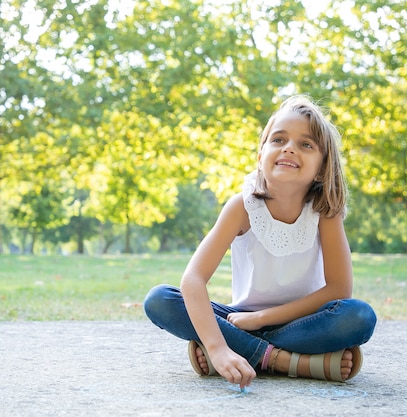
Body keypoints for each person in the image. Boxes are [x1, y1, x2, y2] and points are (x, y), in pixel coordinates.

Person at [144, 95, 377, 390]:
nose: (289, 147)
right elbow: (193, 279)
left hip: (303, 324)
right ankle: (291, 362)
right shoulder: (242, 206)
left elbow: (339, 290)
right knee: (160, 300)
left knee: (358, 316)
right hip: (238, 318)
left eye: (306, 144)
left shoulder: (325, 212)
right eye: (278, 140)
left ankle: (244, 353)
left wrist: (260, 320)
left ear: (321, 167)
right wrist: (217, 346)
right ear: (260, 155)